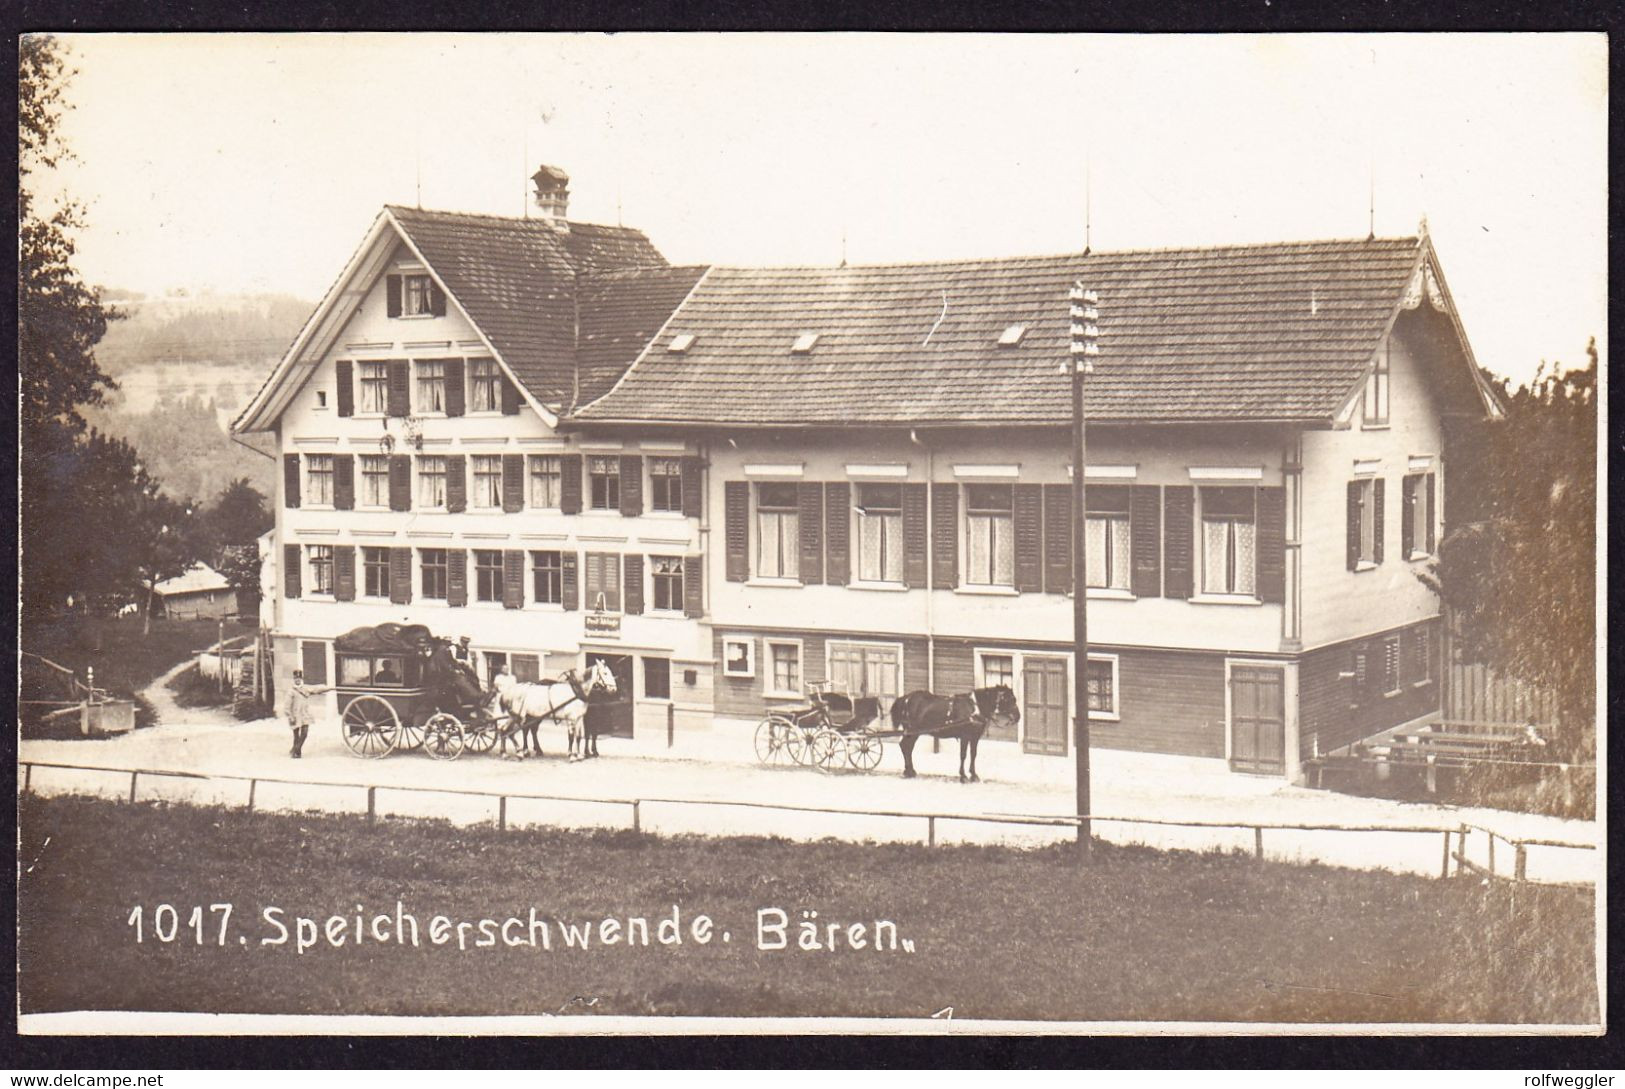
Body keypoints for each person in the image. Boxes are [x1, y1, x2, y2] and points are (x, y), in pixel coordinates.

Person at [284, 669, 332, 758]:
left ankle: (296, 749)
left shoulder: (305, 688)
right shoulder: (291, 691)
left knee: (304, 733)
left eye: (299, 678)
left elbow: (316, 688)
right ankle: (297, 752)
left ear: (301, 679)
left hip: (304, 714)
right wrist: (290, 716)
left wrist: (330, 688)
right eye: (296, 678)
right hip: (295, 715)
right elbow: (286, 706)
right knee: (296, 736)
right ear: (293, 679)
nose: (297, 680)